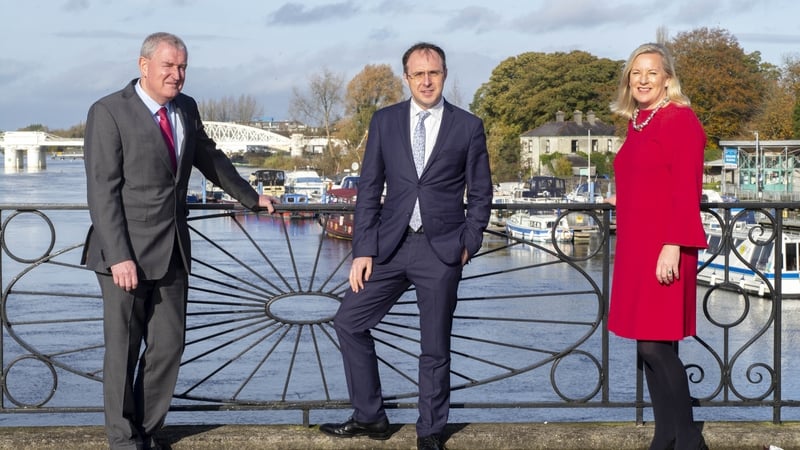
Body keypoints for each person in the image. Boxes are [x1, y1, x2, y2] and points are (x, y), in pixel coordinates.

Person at [81, 32, 276, 450]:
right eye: (169, 66)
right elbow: (102, 190)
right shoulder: (109, 112)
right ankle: (122, 439)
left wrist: (251, 197)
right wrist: (119, 256)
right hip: (124, 255)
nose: (177, 75)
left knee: (169, 346)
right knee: (123, 349)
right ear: (143, 65)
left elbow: (210, 158)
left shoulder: (185, 108)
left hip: (173, 251)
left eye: (183, 66)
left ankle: (147, 432)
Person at [319, 42, 492, 450]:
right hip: (388, 248)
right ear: (407, 79)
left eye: (433, 73)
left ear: (444, 75)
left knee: (434, 346)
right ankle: (370, 416)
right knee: (349, 321)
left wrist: (470, 241)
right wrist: (362, 249)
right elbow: (368, 189)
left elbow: (481, 192)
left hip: (442, 249)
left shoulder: (468, 126)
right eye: (418, 74)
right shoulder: (385, 121)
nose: (427, 80)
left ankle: (430, 430)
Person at [607, 42, 709, 450]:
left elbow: (686, 189)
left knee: (654, 343)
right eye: (636, 73)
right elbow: (649, 178)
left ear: (668, 78)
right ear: (628, 81)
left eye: (651, 72)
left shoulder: (679, 119)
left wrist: (673, 244)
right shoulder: (641, 121)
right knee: (648, 345)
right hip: (637, 243)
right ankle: (663, 436)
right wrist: (622, 198)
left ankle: (687, 440)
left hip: (665, 245)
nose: (643, 80)